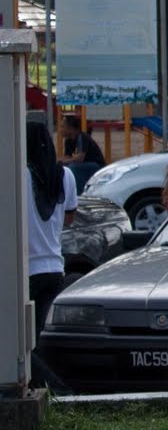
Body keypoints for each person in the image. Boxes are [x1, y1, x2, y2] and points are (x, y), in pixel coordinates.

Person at [25, 120, 77, 336]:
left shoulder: (20, 176)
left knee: (20, 344)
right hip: (55, 268)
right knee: (37, 340)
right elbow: (69, 219)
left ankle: (46, 373)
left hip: (26, 271)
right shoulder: (65, 175)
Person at [57, 113, 105, 192]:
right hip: (84, 166)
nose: (60, 130)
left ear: (71, 128)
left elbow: (80, 158)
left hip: (96, 166)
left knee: (73, 167)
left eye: (63, 127)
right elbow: (67, 156)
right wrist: (58, 161)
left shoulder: (82, 137)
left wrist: (63, 161)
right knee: (63, 168)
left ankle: (79, 192)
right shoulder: (68, 140)